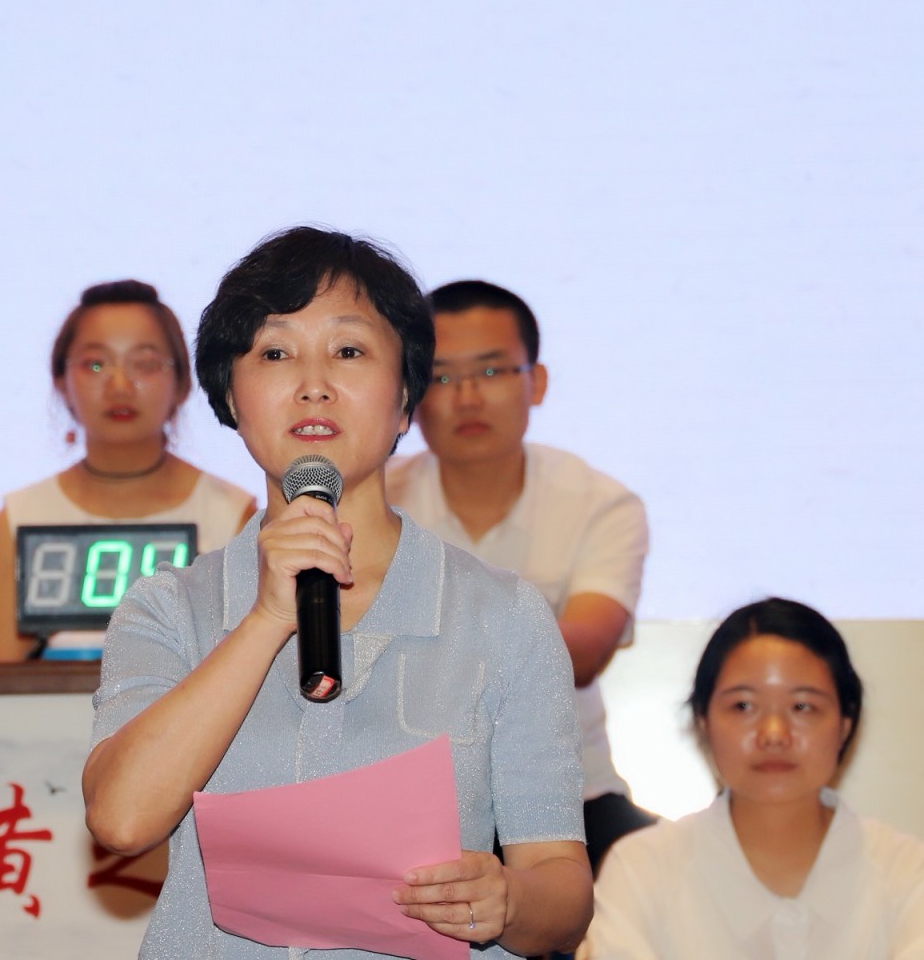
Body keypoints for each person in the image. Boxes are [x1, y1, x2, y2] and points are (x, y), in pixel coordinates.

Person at [83, 228, 593, 958]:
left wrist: (507, 899)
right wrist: (265, 618)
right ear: (229, 394)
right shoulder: (169, 608)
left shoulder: (501, 615)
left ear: (406, 395)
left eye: (349, 351)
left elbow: (562, 891)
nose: (313, 383)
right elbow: (123, 820)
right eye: (275, 353)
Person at [387, 280, 654, 872]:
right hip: (410, 800)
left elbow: (583, 654)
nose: (468, 398)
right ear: (409, 392)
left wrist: (421, 638)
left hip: (572, 799)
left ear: (537, 382)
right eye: (442, 377)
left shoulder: (600, 504)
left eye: (491, 372)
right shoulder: (376, 502)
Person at [581, 597, 924, 958]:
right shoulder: (641, 871)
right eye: (743, 706)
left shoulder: (906, 872)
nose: (774, 734)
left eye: (803, 706)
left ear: (844, 725)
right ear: (703, 721)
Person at [0, 279, 256, 661]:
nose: (120, 385)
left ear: (181, 383)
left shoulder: (232, 515)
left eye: (145, 364)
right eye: (95, 364)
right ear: (62, 382)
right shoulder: (17, 520)